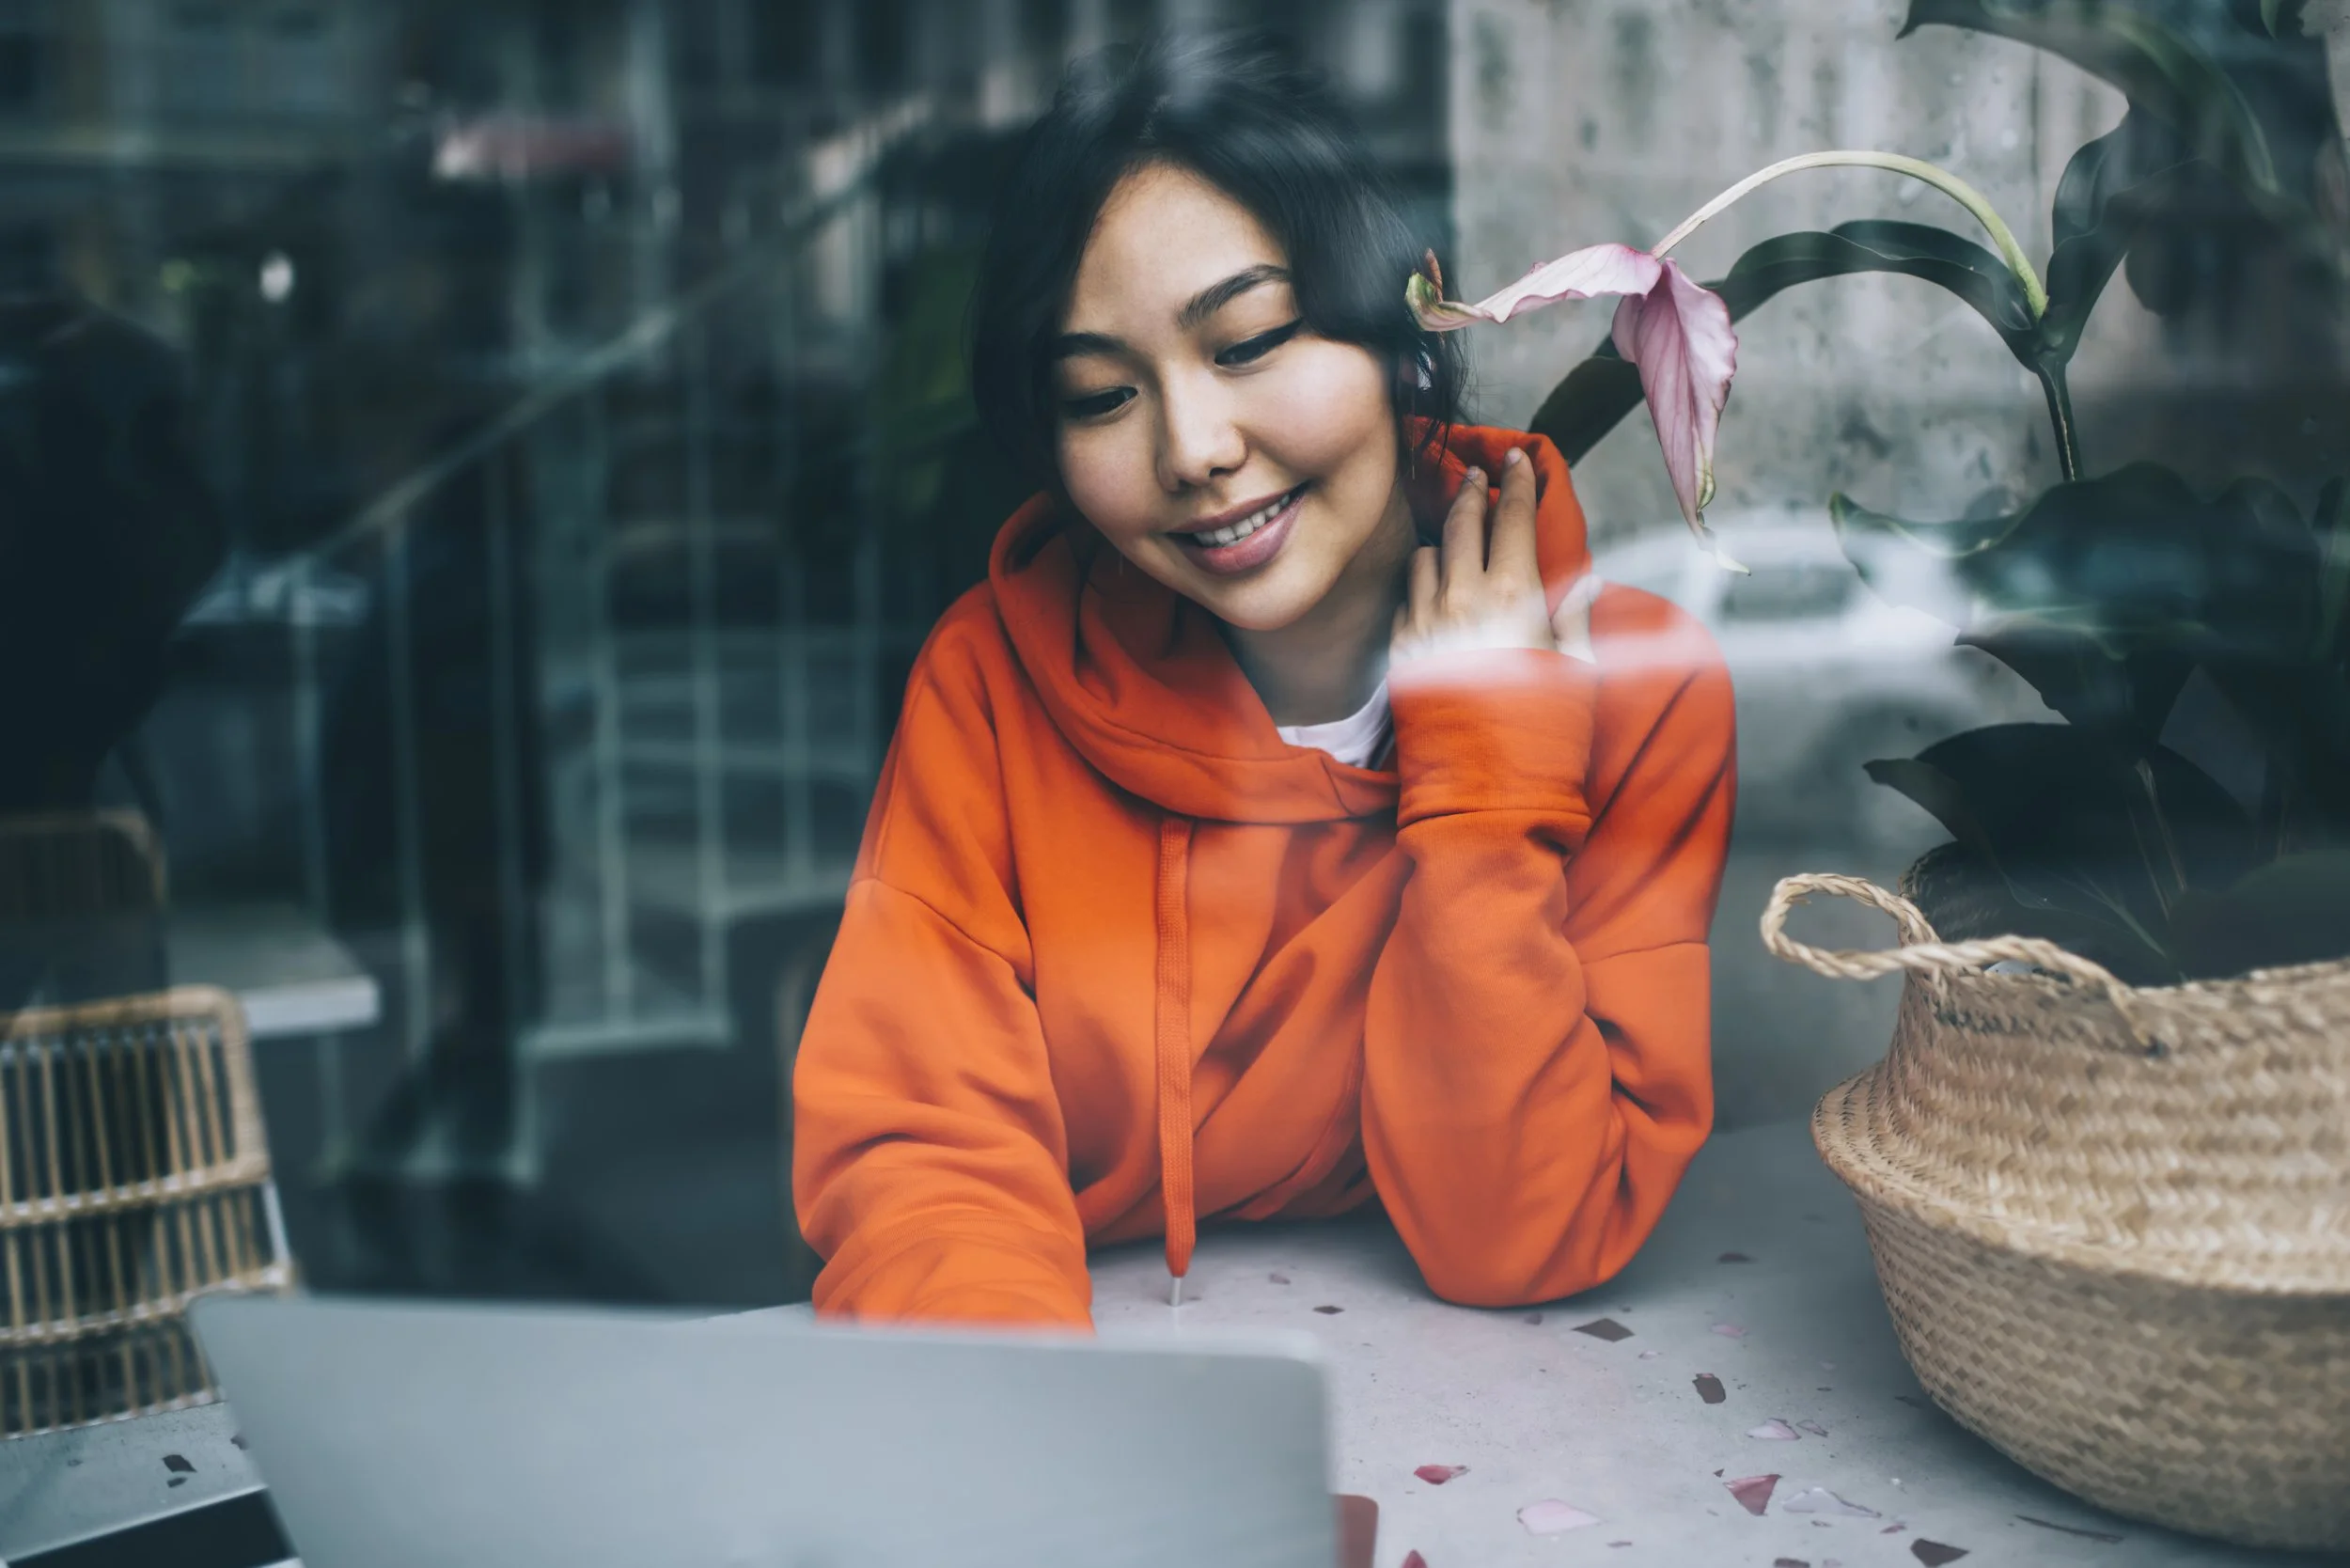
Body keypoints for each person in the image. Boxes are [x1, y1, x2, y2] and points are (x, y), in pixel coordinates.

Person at [790, 32, 1735, 1328]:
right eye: (1103, 397)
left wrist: (1483, 784)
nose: (1193, 449)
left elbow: (1522, 1236)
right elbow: (923, 1163)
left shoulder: (1639, 696)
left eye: (1247, 342)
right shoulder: (997, 684)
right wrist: (1033, 1472)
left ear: (1405, 332)